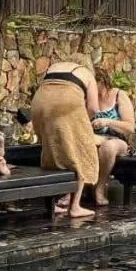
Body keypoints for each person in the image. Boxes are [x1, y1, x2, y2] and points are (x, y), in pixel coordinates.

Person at [31, 57, 100, 219]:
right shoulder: (86, 73)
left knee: (51, 150)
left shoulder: (55, 66)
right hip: (66, 104)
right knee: (82, 152)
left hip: (39, 104)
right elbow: (94, 108)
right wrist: (83, 123)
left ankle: (52, 204)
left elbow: (46, 91)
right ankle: (75, 206)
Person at [90, 69, 136, 206]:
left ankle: (99, 188)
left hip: (118, 140)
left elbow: (130, 127)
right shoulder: (90, 99)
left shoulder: (118, 95)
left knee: (108, 147)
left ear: (102, 82)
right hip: (96, 138)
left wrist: (107, 122)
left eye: (92, 83)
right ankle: (72, 192)